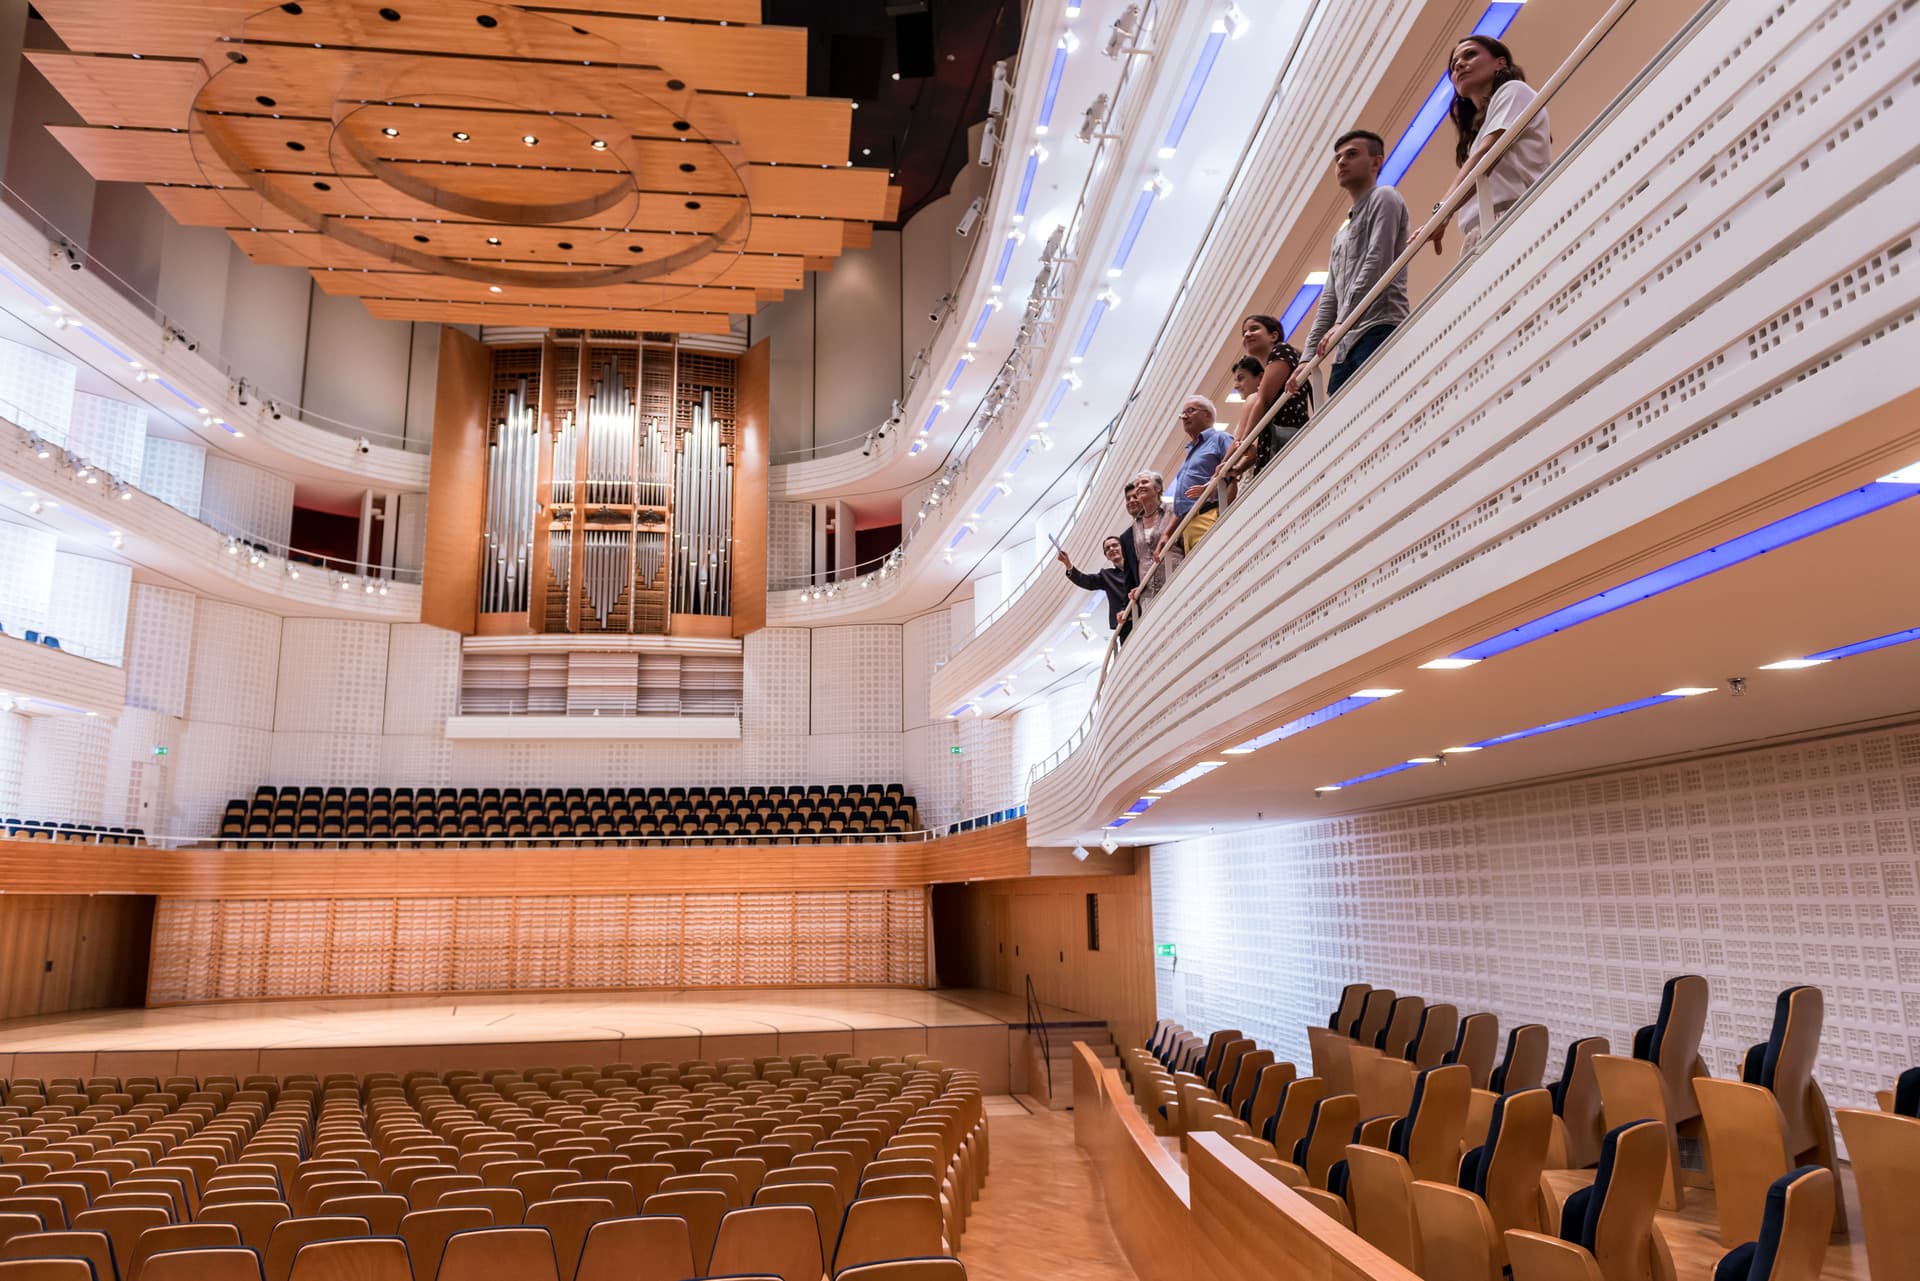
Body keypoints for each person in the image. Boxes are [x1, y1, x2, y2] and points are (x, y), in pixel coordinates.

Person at [1293, 129, 1410, 398]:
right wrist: (1306, 360)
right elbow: (1329, 299)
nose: (1342, 162)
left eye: (1352, 154)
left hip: (1379, 328)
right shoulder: (1340, 236)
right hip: (1345, 345)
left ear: (1376, 162)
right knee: (1343, 431)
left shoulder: (1385, 197)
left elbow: (1376, 262)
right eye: (1338, 158)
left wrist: (1343, 321)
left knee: (1385, 410)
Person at [1421, 35, 1551, 256]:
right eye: (1454, 65)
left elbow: (1486, 154)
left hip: (1514, 216)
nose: (1459, 65)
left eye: (1470, 54)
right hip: (1477, 233)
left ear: (1500, 62)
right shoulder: (1477, 133)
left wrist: (1443, 210)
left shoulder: (1514, 90)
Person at [1226, 314, 1309, 481]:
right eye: (1244, 332)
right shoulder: (1278, 358)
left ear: (1273, 335)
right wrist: (1238, 465)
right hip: (1277, 444)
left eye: (1254, 329)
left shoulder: (1282, 350)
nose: (1247, 334)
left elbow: (1263, 400)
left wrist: (1244, 442)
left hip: (1288, 442)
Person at [1170, 395, 1233, 553]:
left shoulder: (1220, 438)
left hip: (1208, 514)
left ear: (1208, 415)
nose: (1184, 416)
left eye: (1190, 411)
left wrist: (1221, 514)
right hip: (1187, 526)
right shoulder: (1190, 453)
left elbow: (1234, 472)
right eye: (1182, 413)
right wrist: (1166, 534)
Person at [1122, 471, 1180, 614]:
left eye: (1144, 482)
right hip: (1148, 594)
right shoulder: (1136, 525)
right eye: (1137, 485)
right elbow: (1141, 559)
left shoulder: (1173, 510)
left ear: (1158, 488)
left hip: (1175, 578)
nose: (1140, 486)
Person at [1056, 535, 1132, 643]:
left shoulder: (1137, 565)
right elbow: (1085, 580)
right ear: (1106, 556)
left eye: (1115, 545)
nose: (1111, 549)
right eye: (1107, 548)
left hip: (1145, 612)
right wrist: (1067, 564)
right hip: (1125, 625)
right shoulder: (1107, 576)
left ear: (1123, 548)